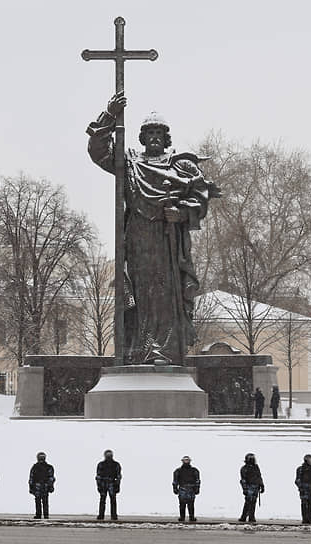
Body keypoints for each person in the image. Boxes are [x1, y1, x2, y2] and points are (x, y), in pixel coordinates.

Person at [87, 93, 221, 365]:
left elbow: (200, 198)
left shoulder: (180, 166)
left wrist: (181, 213)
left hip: (165, 239)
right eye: (149, 133)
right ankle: (137, 349)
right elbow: (99, 152)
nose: (155, 137)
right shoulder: (131, 163)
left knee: (164, 296)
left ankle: (164, 351)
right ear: (142, 137)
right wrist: (109, 117)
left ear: (166, 136)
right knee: (137, 296)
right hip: (136, 239)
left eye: (159, 132)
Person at [96, 450, 122, 520]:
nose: (108, 457)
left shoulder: (116, 464)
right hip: (104, 483)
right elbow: (98, 476)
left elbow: (119, 476)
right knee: (103, 500)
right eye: (107, 455)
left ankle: (113, 516)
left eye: (109, 455)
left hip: (111, 483)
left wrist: (117, 485)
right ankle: (102, 515)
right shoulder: (101, 464)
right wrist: (99, 485)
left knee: (111, 500)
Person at [295, 454, 311, 524]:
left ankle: (309, 518)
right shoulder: (300, 469)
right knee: (304, 504)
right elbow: (297, 480)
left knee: (310, 504)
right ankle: (305, 519)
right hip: (304, 490)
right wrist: (302, 487)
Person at [173, 456, 200, 522]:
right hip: (182, 489)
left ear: (190, 461)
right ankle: (182, 518)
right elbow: (175, 480)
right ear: (182, 461)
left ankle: (192, 517)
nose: (186, 461)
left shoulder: (194, 470)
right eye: (185, 460)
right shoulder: (178, 471)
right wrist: (175, 488)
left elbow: (197, 480)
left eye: (187, 460)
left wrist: (197, 488)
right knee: (182, 504)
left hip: (191, 489)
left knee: (191, 505)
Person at [239, 453, 264, 523]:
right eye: (251, 459)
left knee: (253, 502)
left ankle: (251, 517)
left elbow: (259, 477)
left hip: (256, 487)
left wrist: (262, 485)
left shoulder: (256, 467)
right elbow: (243, 480)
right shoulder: (244, 469)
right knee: (248, 502)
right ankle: (244, 516)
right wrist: (245, 489)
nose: (252, 460)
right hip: (249, 487)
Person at [29, 452, 55, 519]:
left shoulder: (35, 467)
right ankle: (45, 515)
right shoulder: (48, 467)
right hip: (43, 487)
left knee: (39, 501)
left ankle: (39, 515)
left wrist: (31, 487)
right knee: (44, 501)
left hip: (38, 487)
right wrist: (50, 486)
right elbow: (51, 478)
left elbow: (31, 478)